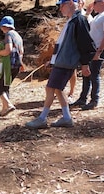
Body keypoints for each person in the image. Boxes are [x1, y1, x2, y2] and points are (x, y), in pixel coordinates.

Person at [26, 0, 96, 129]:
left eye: (61, 5)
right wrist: (52, 61)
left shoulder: (78, 20)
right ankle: (66, 118)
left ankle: (42, 118)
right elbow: (62, 45)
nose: (60, 9)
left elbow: (86, 43)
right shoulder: (71, 21)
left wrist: (85, 64)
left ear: (70, 3)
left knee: (50, 88)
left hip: (66, 63)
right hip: (61, 62)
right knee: (57, 89)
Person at [70, 0, 104, 110]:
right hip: (92, 49)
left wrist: (99, 51)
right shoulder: (98, 16)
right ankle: (82, 98)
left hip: (98, 50)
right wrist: (88, 13)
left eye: (95, 2)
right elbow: (88, 26)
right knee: (87, 74)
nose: (93, 4)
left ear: (102, 2)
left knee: (94, 75)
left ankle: (94, 100)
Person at [0, 16, 24, 117]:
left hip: (8, 65)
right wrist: (21, 64)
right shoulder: (18, 36)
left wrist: (0, 53)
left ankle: (9, 105)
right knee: (5, 86)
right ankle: (4, 109)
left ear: (4, 26)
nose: (1, 28)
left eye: (1, 26)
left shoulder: (8, 35)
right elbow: (21, 51)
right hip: (16, 65)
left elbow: (8, 50)